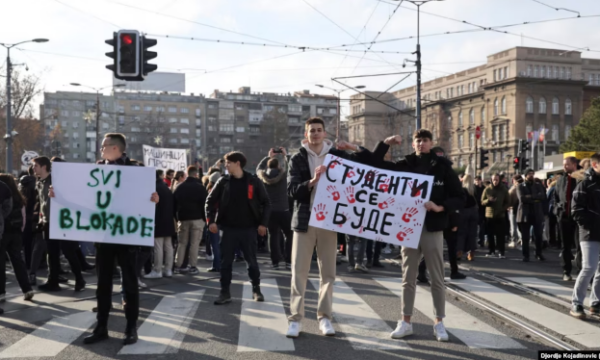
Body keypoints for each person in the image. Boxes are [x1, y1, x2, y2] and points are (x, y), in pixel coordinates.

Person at [342, 129, 465, 342]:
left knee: (437, 277)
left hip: (432, 226)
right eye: (418, 140)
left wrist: (440, 207)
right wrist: (386, 143)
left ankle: (439, 323)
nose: (421, 144)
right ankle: (405, 321)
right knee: (407, 277)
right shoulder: (405, 164)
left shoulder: (442, 167)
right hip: (407, 226)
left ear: (430, 143)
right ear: (414, 143)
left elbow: (460, 197)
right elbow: (376, 164)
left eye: (425, 141)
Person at [49, 133, 159, 345]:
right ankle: (101, 327)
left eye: (103, 146)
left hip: (127, 237)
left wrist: (155, 198)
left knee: (129, 284)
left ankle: (130, 328)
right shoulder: (96, 170)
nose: (100, 150)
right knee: (103, 284)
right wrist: (59, 195)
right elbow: (81, 196)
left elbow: (148, 199)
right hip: (104, 236)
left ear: (116, 148)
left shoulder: (136, 171)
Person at [206, 151, 271, 305]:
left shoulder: (253, 181)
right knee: (225, 263)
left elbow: (266, 203)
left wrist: (263, 223)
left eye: (228, 162)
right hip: (228, 229)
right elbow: (209, 201)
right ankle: (224, 292)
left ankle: (256, 289)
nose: (226, 165)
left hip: (248, 229)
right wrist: (211, 221)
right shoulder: (223, 181)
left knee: (252, 262)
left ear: (238, 164)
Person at [32, 156, 86, 292]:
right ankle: (53, 280)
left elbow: (69, 198)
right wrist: (41, 219)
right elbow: (43, 203)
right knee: (51, 252)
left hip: (61, 222)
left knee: (68, 251)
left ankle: (79, 278)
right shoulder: (39, 182)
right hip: (47, 222)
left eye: (36, 166)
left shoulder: (56, 181)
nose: (33, 168)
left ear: (44, 167)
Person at [570, 152, 600, 319]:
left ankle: (596, 303)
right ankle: (577, 302)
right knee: (589, 267)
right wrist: (590, 224)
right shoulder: (584, 185)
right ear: (595, 165)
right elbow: (576, 210)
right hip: (589, 232)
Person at [256, 148, 293, 270]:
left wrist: (267, 156)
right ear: (278, 165)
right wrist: (285, 155)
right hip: (284, 210)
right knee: (289, 235)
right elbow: (291, 168)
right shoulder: (283, 177)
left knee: (273, 235)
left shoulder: (263, 177)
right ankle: (288, 260)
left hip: (270, 211)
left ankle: (275, 262)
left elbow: (258, 169)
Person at [0, 175, 32, 302]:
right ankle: (27, 289)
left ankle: (1, 292)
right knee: (18, 261)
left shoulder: (3, 196)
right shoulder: (19, 198)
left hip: (3, 233)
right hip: (17, 233)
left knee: (1, 264)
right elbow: (23, 217)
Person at [173, 166, 208, 275]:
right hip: (197, 218)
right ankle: (193, 266)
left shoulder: (180, 187)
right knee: (194, 244)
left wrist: (177, 217)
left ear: (187, 174)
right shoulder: (200, 188)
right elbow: (205, 205)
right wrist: (204, 218)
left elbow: (174, 204)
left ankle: (178, 265)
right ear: (196, 174)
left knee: (182, 243)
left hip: (183, 219)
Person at [554, 157, 582, 281]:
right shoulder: (561, 180)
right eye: (564, 165)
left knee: (580, 246)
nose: (565, 167)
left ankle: (581, 272)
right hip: (564, 217)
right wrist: (557, 210)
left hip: (579, 219)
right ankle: (566, 271)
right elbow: (555, 198)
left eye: (567, 164)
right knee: (565, 246)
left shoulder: (582, 178)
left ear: (574, 165)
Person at [145, 170, 176, 279]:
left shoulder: (154, 188)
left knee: (158, 247)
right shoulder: (166, 188)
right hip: (168, 220)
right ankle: (168, 269)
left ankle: (157, 270)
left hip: (158, 220)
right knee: (168, 247)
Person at [517, 168, 547, 262]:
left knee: (538, 235)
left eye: (532, 174)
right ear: (525, 175)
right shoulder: (521, 186)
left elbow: (542, 196)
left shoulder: (538, 185)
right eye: (529, 174)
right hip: (525, 214)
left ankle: (538, 253)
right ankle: (526, 255)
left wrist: (530, 197)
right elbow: (522, 199)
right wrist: (535, 198)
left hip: (537, 213)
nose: (531, 175)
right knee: (525, 237)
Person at [481, 173, 510, 258]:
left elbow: (508, 202)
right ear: (491, 180)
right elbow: (482, 201)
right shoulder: (487, 189)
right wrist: (488, 201)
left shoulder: (503, 189)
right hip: (489, 215)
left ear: (499, 180)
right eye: (494, 179)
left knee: (500, 235)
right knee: (490, 234)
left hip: (500, 215)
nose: (495, 181)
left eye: (497, 179)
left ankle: (501, 252)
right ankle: (491, 251)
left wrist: (502, 209)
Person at [457, 174, 479, 262]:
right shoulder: (474, 190)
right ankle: (471, 253)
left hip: (464, 212)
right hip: (474, 212)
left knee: (461, 233)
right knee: (472, 234)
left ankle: (459, 252)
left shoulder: (462, 190)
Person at [508, 175, 523, 248]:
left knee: (513, 226)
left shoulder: (513, 189)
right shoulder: (524, 187)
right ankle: (521, 239)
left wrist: (508, 206)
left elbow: (508, 199)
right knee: (520, 226)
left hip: (513, 209)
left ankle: (514, 240)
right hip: (522, 209)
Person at [474, 176, 486, 247]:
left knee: (482, 227)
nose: (477, 182)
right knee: (475, 227)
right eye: (476, 181)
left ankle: (481, 241)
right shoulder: (473, 188)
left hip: (482, 209)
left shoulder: (484, 188)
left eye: (478, 180)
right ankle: (475, 241)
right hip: (476, 209)